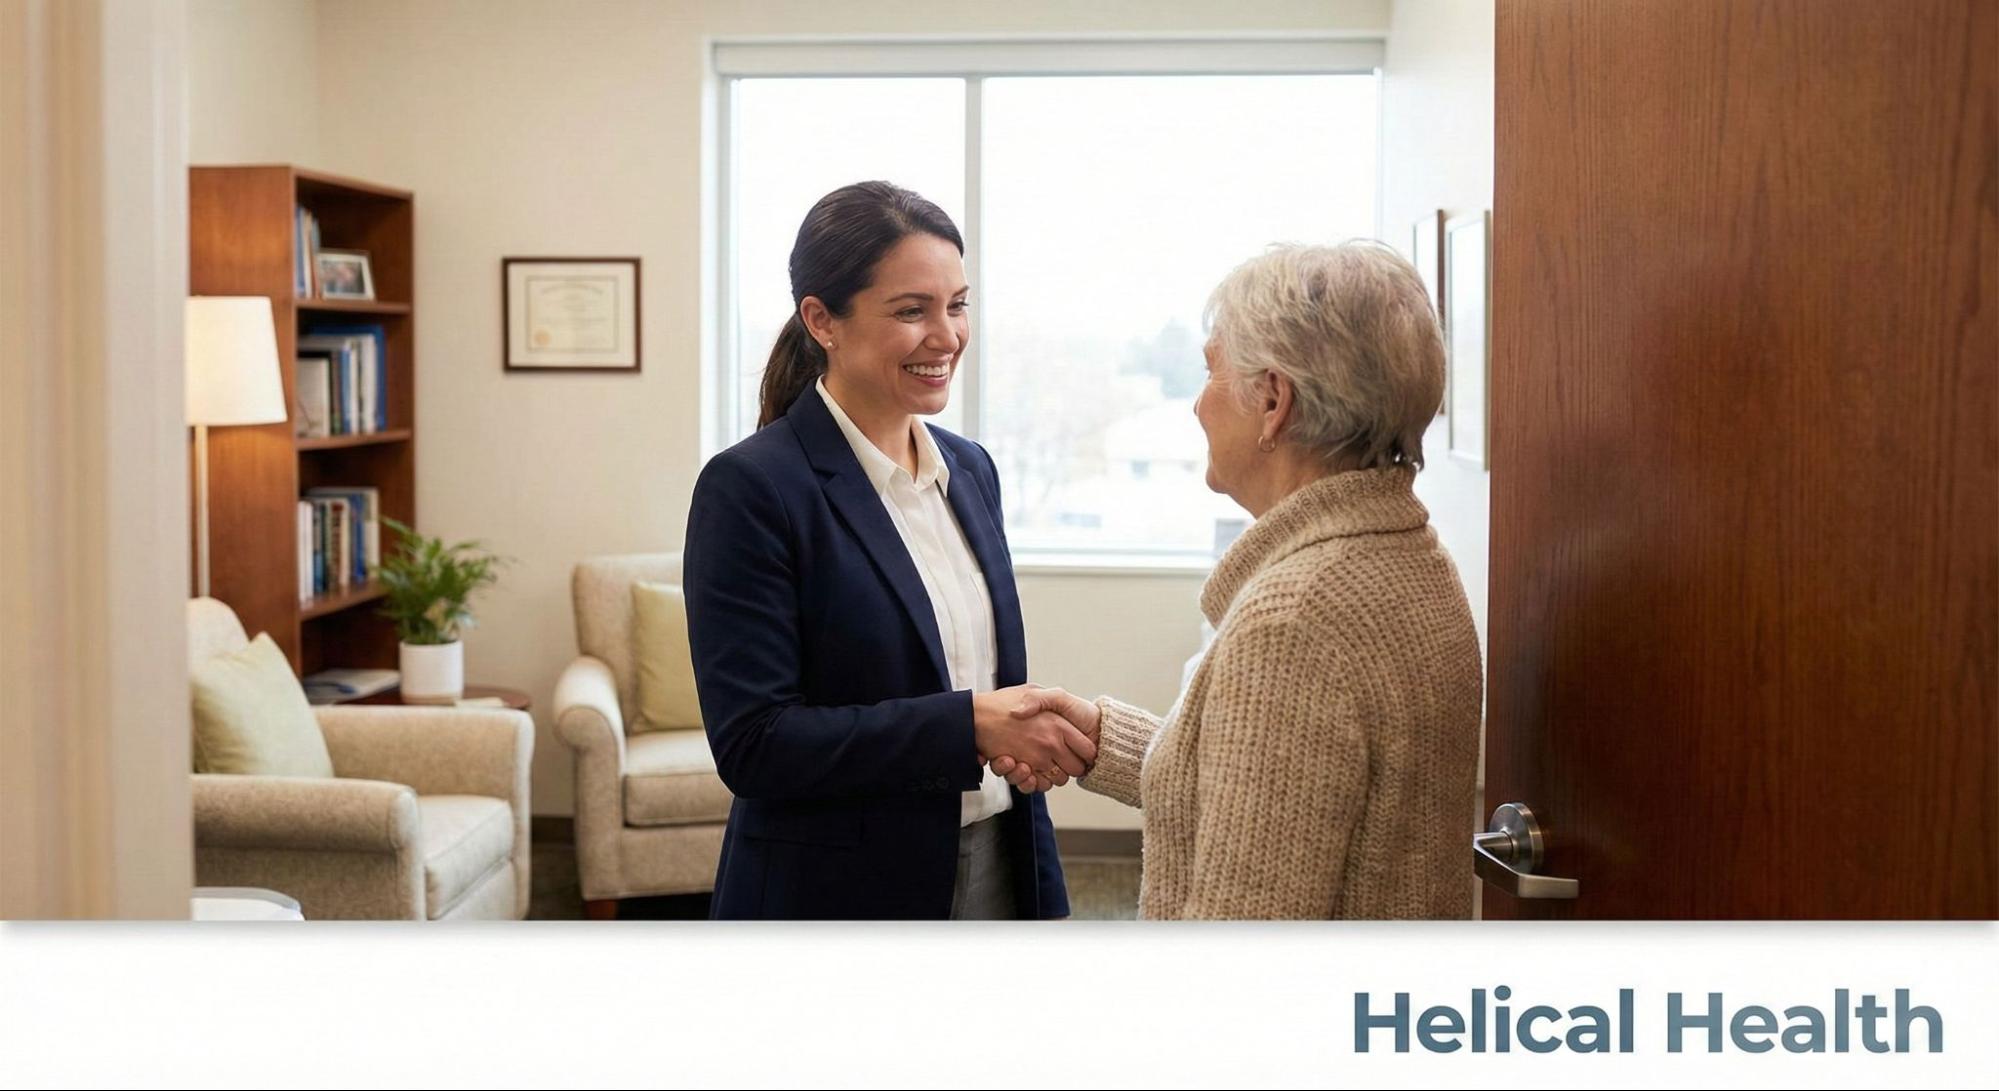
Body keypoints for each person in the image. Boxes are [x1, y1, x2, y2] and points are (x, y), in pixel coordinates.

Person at [995, 242, 1484, 919]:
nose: (1197, 405)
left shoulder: (1293, 620)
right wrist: (1102, 739)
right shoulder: (1405, 554)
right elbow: (1287, 794)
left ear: (1273, 401)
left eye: (1210, 372)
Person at [683, 181, 1093, 919]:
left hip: (1001, 854)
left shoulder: (970, 469)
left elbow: (989, 680)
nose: (946, 335)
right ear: (821, 320)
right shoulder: (751, 487)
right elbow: (754, 743)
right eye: (912, 310)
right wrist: (968, 723)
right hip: (839, 892)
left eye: (956, 304)